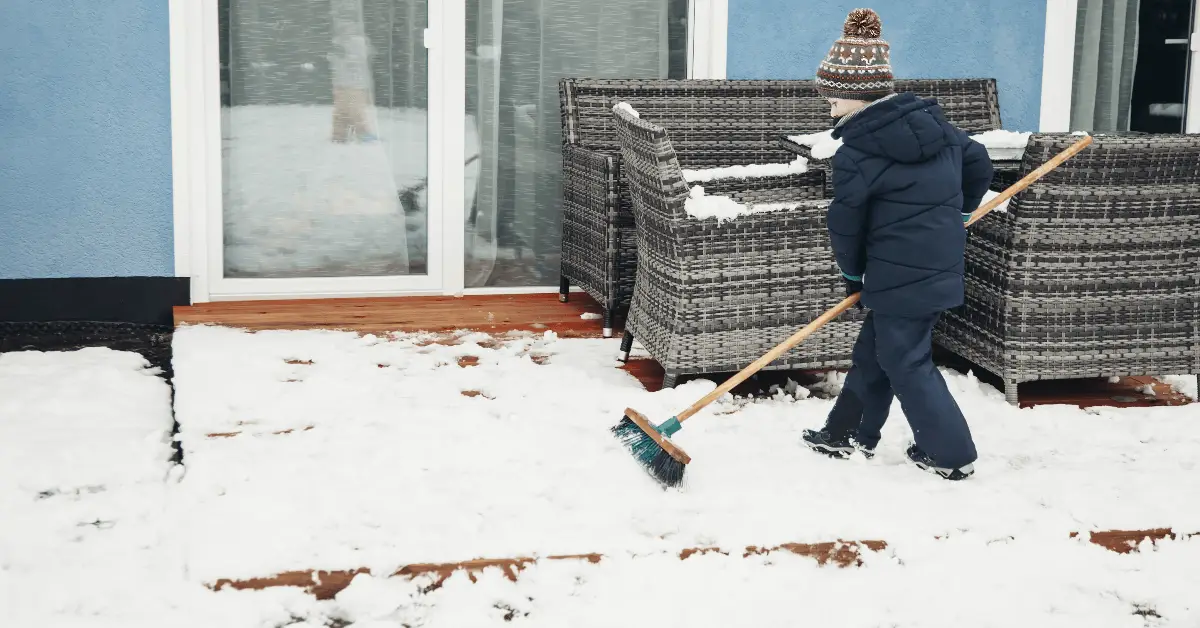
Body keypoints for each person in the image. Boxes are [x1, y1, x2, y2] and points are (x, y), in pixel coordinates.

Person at [799, 8, 993, 481]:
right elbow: (980, 162)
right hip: (938, 264)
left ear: (856, 96)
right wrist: (962, 211)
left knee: (906, 360)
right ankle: (847, 432)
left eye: (834, 98)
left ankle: (950, 454)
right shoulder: (940, 129)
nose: (828, 107)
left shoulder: (857, 154)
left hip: (895, 274)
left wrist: (851, 273)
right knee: (877, 350)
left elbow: (845, 223)